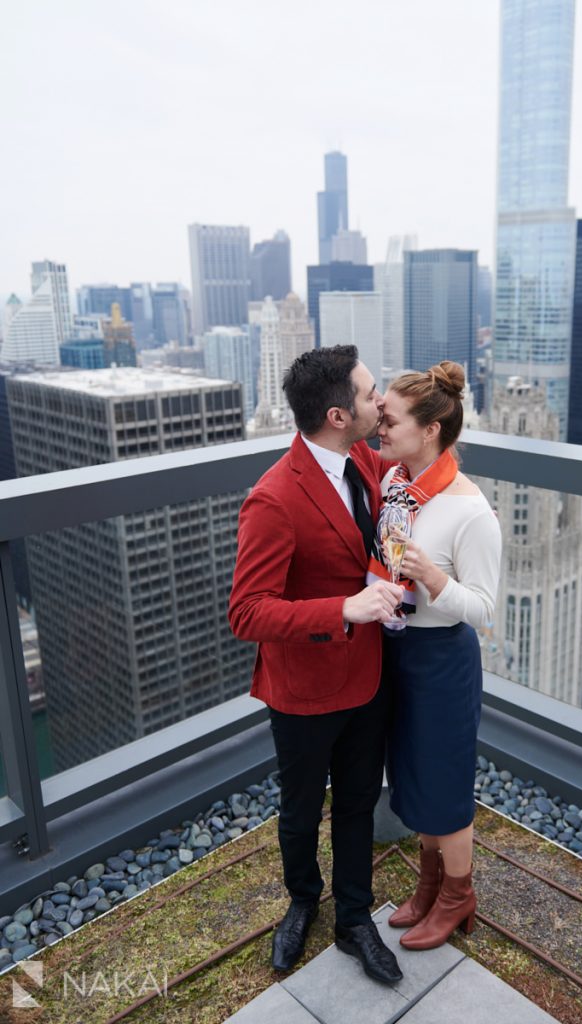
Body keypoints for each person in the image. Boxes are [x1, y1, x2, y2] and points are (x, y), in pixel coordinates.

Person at [228, 345, 404, 984]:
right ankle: (303, 901)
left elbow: (407, 478)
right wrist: (344, 609)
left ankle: (355, 917)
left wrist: (464, 512)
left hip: (367, 679)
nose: (378, 400)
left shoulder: (358, 456)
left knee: (358, 802)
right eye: (368, 392)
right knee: (301, 810)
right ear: (337, 414)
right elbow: (246, 612)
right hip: (303, 690)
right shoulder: (273, 498)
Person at [372, 360, 502, 950]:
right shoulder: (398, 485)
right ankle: (429, 887)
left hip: (444, 661)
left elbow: (484, 611)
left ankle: (458, 897)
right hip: (399, 650)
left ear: (429, 430)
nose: (380, 426)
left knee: (446, 786)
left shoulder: (470, 510)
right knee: (414, 775)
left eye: (389, 419)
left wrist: (433, 580)